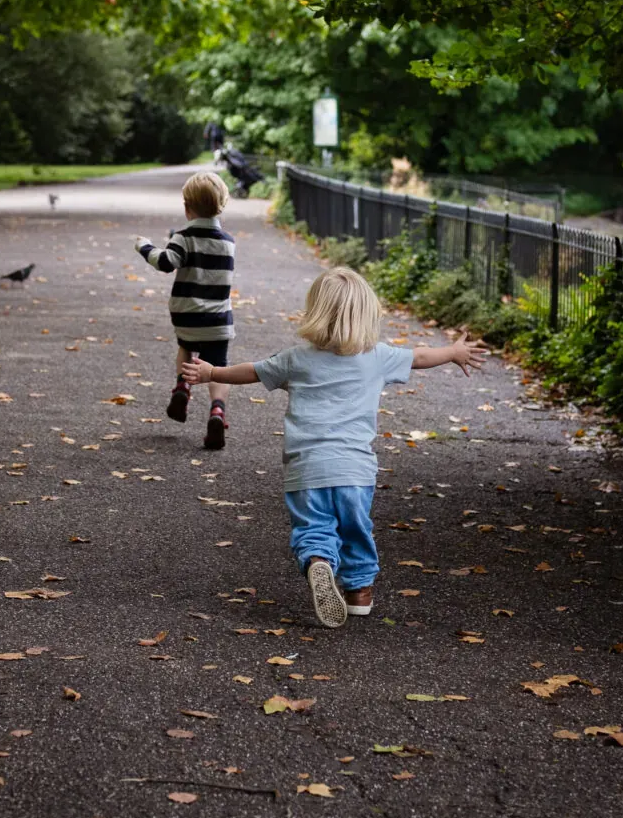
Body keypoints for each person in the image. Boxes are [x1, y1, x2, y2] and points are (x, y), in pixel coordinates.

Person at [182, 266, 487, 628]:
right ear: (367, 314)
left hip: (305, 468)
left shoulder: (295, 358)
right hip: (355, 470)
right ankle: (359, 593)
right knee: (356, 528)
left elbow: (252, 371)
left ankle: (319, 561)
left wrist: (212, 373)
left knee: (315, 528)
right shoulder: (377, 356)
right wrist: (453, 351)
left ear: (315, 312)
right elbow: (420, 357)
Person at [134, 170, 235, 451]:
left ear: (187, 207)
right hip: (218, 319)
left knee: (187, 349)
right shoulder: (228, 242)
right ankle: (217, 411)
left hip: (187, 316)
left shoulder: (183, 237)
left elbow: (166, 262)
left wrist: (145, 247)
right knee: (218, 369)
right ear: (221, 205)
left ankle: (182, 387)